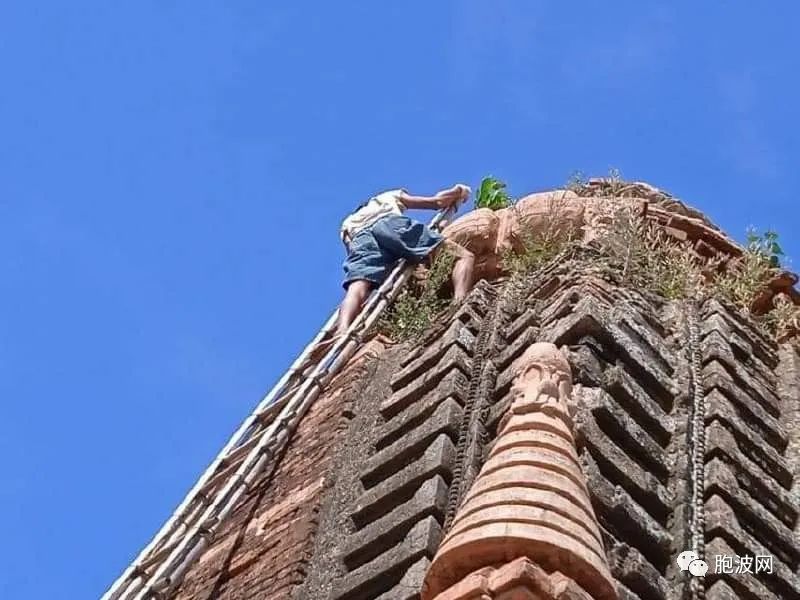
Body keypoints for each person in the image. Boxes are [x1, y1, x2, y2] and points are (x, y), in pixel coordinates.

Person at [335, 184, 475, 339]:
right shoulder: (386, 197)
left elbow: (353, 251)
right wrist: (458, 191)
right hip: (390, 224)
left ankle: (342, 330)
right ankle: (459, 304)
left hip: (360, 238)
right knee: (463, 257)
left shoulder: (347, 223)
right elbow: (437, 202)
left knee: (357, 288)